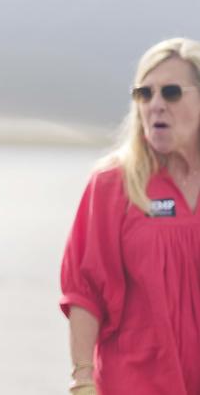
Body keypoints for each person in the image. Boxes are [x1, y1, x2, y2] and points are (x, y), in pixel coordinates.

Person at [60, 38, 200, 395]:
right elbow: (84, 291)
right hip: (135, 381)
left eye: (170, 93)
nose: (155, 106)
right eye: (144, 93)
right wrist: (83, 379)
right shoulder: (112, 183)